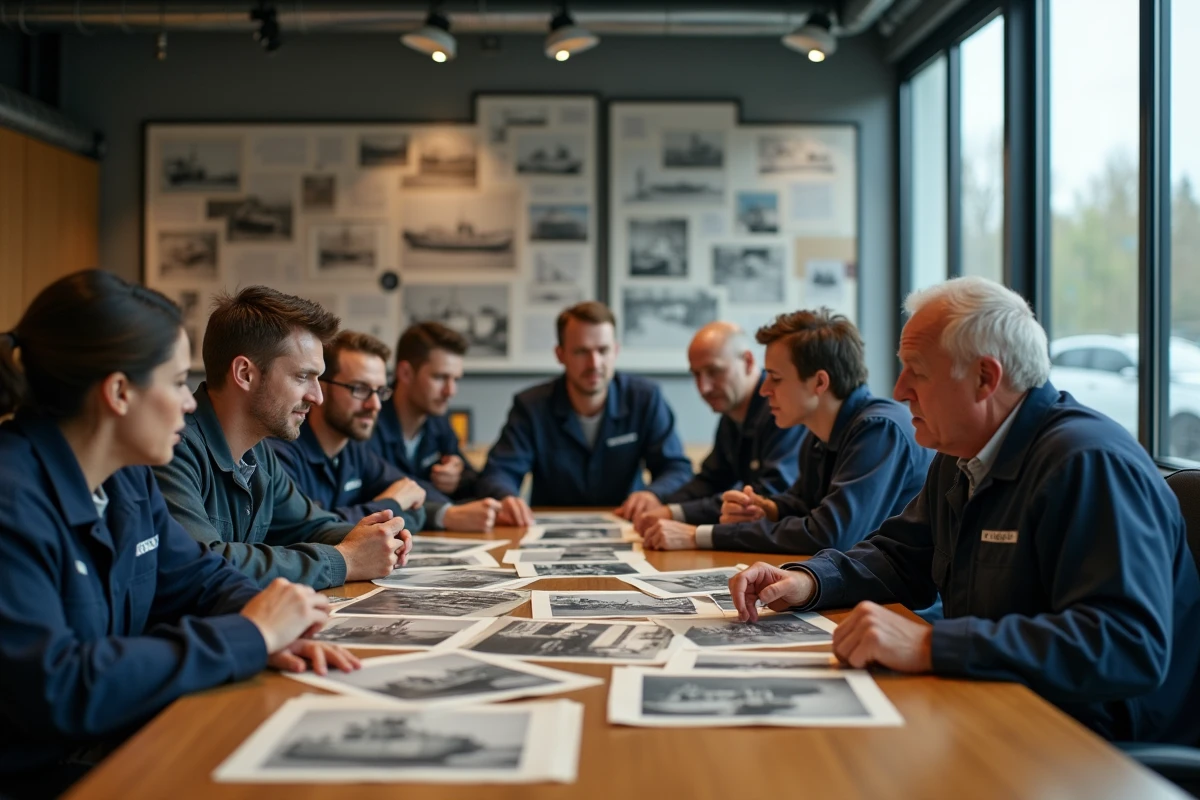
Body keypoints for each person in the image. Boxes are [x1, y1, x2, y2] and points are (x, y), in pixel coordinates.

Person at [730, 277, 1200, 745]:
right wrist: (809, 581)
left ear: (985, 378)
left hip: (1090, 741)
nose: (899, 390)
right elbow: (899, 556)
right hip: (996, 703)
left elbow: (1125, 646)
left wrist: (932, 644)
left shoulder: (1088, 463)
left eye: (917, 371)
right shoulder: (961, 455)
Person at [0, 271, 359, 798]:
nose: (190, 402)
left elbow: (196, 576)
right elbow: (62, 687)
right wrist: (251, 635)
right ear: (119, 393)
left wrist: (269, 619)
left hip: (105, 748)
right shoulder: (11, 499)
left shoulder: (128, 477)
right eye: (174, 383)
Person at [153, 286, 418, 590]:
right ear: (245, 373)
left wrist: (378, 538)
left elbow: (312, 526)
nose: (317, 396)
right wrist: (344, 560)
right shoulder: (171, 447)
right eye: (302, 376)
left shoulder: (258, 453)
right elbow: (203, 564)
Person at [640, 309, 931, 553]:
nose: (764, 390)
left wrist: (699, 536)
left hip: (904, 611)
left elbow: (830, 535)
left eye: (775, 379)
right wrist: (765, 508)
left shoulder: (879, 430)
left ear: (819, 383)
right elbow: (802, 503)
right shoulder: (819, 431)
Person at [477, 301, 694, 526]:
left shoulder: (645, 399)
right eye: (581, 351)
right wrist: (506, 497)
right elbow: (499, 471)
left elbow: (676, 468)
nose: (594, 363)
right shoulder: (531, 406)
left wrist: (654, 494)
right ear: (560, 354)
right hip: (549, 530)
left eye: (603, 350)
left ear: (616, 351)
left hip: (629, 525)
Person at [633, 321, 805, 530]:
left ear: (748, 362)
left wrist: (675, 512)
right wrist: (659, 500)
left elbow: (768, 493)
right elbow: (711, 480)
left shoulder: (781, 410)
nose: (703, 387)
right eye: (696, 374)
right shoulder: (731, 415)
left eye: (714, 371)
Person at [271, 330, 428, 524]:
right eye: (360, 389)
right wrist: (391, 504)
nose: (375, 405)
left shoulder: (354, 449)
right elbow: (305, 532)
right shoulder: (281, 451)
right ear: (322, 387)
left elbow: (414, 506)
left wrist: (384, 509)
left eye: (380, 391)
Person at [370, 321, 502, 531]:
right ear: (405, 373)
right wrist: (448, 512)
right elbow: (386, 487)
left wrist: (457, 476)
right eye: (440, 377)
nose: (451, 391)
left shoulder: (438, 421)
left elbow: (473, 479)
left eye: (455, 379)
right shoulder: (367, 421)